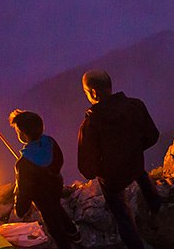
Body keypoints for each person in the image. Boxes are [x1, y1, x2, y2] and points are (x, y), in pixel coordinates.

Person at [77, 70, 161, 249]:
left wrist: (102, 170)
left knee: (121, 213)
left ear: (93, 92)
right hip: (136, 163)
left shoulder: (90, 124)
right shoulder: (135, 105)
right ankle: (157, 207)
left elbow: (87, 169)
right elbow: (153, 135)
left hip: (113, 178)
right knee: (141, 174)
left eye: (85, 92)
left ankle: (135, 245)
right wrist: (135, 149)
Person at [11, 110, 80, 248]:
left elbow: (24, 189)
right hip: (56, 185)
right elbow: (59, 159)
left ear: (23, 135)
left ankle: (65, 245)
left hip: (42, 197)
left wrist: (20, 208)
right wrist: (53, 173)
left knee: (53, 225)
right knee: (57, 208)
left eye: (18, 131)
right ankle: (75, 234)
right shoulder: (50, 142)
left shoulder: (24, 163)